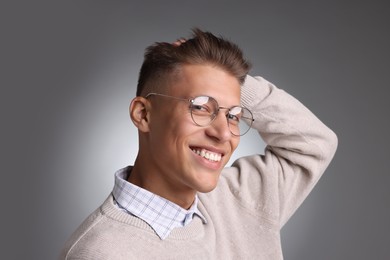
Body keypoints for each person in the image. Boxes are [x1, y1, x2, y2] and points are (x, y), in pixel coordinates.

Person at [60, 28, 337, 259]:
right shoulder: (101, 252)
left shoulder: (240, 199)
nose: (224, 134)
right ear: (143, 114)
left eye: (233, 116)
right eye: (201, 107)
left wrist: (236, 85)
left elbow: (313, 143)